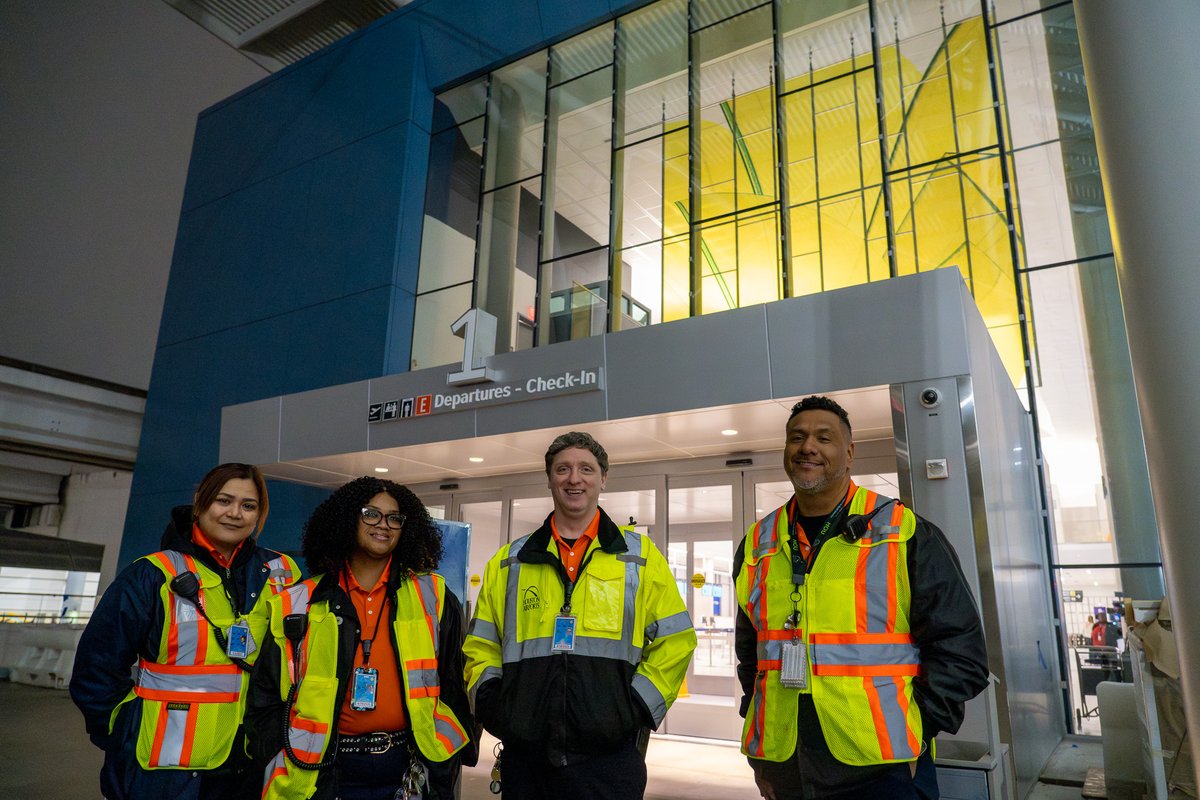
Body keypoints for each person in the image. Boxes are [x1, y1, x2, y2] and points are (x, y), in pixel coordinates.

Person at [734, 396, 989, 799]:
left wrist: (918, 723)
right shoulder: (758, 544)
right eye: (796, 437)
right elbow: (752, 656)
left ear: (849, 453)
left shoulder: (904, 532)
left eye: (824, 438)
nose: (807, 447)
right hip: (786, 766)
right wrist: (760, 752)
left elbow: (963, 653)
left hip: (882, 772)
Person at [463, 431, 697, 798]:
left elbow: (676, 639)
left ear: (604, 478)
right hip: (527, 759)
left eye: (586, 469)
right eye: (563, 469)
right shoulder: (509, 561)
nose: (575, 479)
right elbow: (480, 645)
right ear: (550, 478)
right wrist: (497, 708)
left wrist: (632, 709)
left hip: (611, 759)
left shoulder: (639, 557)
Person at [70, 462, 300, 800]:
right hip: (168, 767)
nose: (235, 513)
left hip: (254, 759)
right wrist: (123, 733)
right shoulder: (152, 574)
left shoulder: (281, 571)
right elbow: (96, 670)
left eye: (248, 505)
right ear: (200, 502)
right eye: (224, 500)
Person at [246, 476, 474, 800]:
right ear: (347, 519)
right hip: (323, 772)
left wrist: (448, 762)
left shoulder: (433, 596)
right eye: (371, 513)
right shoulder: (298, 602)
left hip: (409, 769)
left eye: (394, 518)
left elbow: (454, 683)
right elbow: (265, 697)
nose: (384, 524)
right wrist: (274, 755)